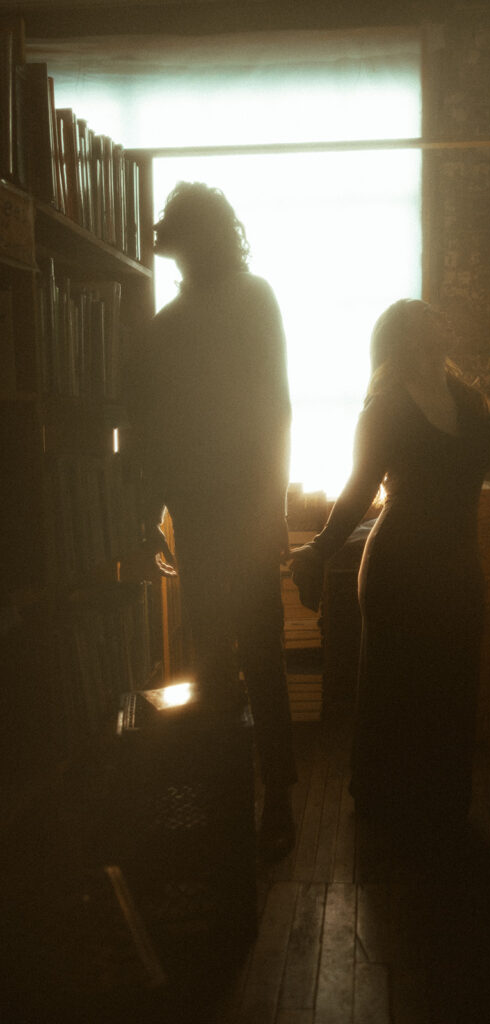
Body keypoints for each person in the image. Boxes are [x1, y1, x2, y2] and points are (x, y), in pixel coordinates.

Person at [290, 299, 490, 849]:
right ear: (405, 337)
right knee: (399, 689)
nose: (440, 320)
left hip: (457, 567)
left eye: (439, 315)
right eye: (424, 317)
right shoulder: (386, 407)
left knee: (452, 684)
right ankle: (390, 805)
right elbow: (359, 489)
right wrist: (319, 549)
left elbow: (488, 448)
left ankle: (441, 804)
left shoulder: (467, 399)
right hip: (399, 569)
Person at [126, 182, 297, 861]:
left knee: (223, 665)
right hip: (233, 514)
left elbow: (153, 440)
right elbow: (273, 413)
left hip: (208, 515)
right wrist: (272, 511)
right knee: (251, 662)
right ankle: (266, 802)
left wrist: (150, 520)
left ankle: (243, 803)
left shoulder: (169, 326)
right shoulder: (251, 301)